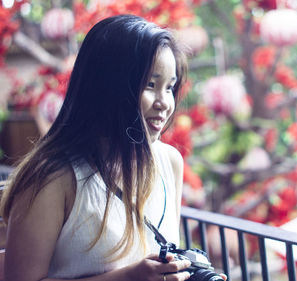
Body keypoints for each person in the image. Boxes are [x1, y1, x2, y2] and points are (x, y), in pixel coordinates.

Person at [0, 14, 217, 281]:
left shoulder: (169, 162)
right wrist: (126, 278)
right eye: (150, 84)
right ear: (108, 86)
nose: (164, 103)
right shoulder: (52, 178)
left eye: (169, 87)